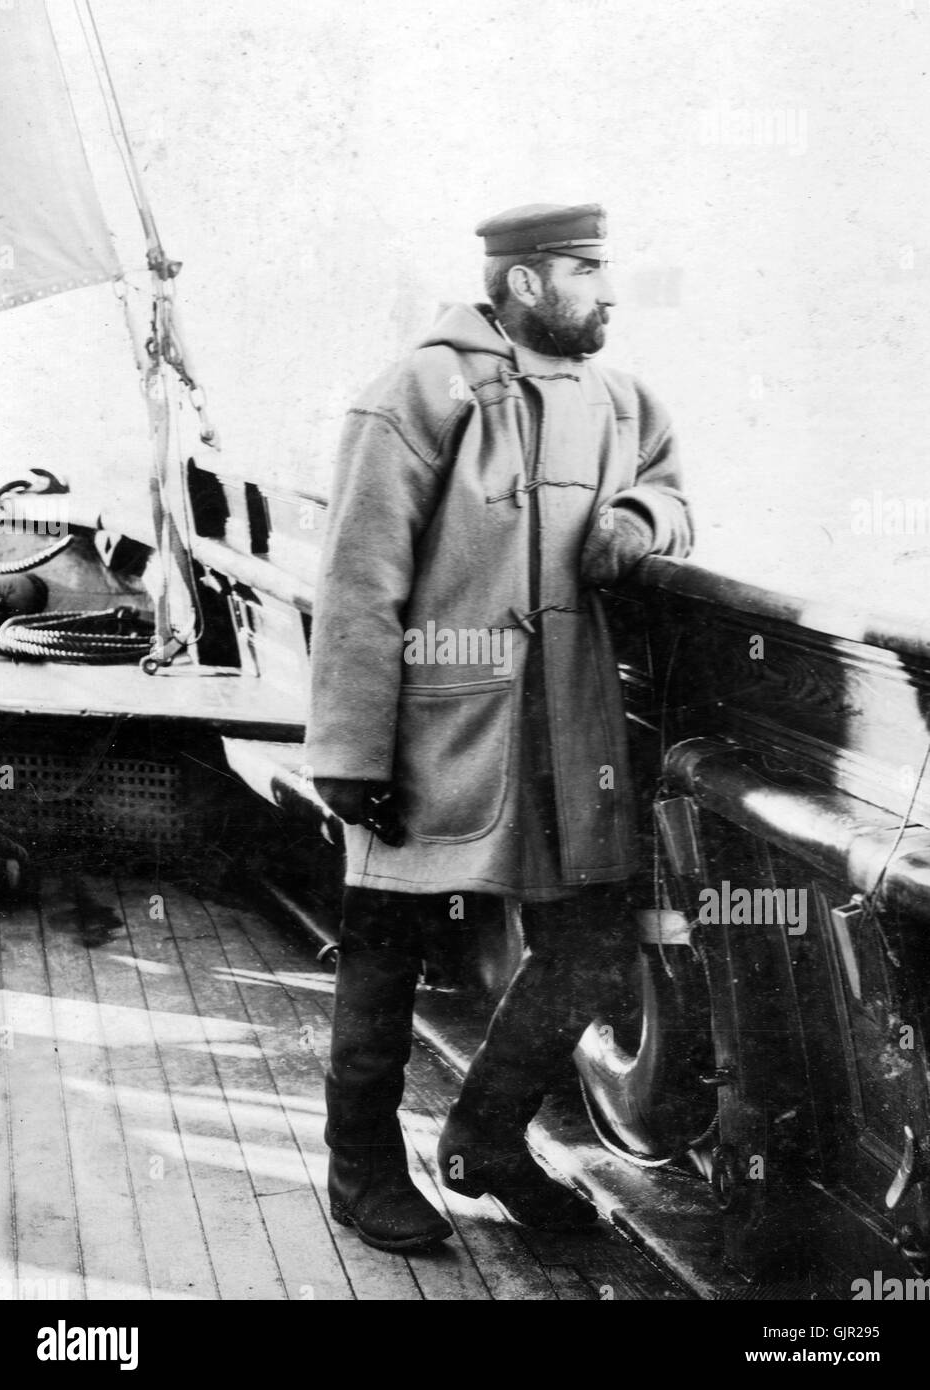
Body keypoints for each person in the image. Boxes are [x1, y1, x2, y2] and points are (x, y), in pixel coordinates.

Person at [306, 202, 693, 1253]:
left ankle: (484, 1138)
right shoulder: (418, 391)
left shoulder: (623, 401)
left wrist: (639, 520)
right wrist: (347, 750)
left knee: (590, 938)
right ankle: (359, 1168)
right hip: (430, 720)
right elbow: (357, 578)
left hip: (565, 724)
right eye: (588, 271)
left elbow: (673, 495)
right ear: (524, 282)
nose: (611, 294)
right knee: (384, 947)